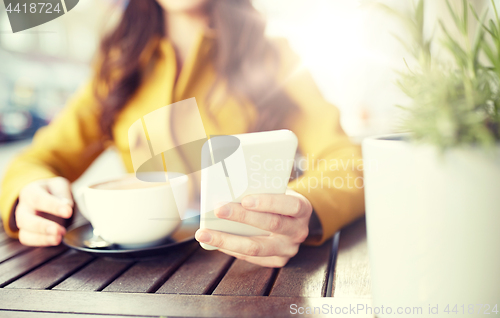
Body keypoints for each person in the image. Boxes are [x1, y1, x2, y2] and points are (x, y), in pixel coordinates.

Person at [0, 0, 365, 268]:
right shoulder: (117, 68)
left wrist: (302, 208)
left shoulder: (275, 58)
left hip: (250, 271)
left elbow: (349, 163)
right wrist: (27, 196)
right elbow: (38, 160)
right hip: (134, 279)